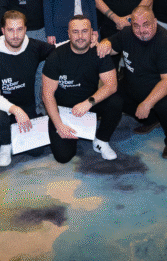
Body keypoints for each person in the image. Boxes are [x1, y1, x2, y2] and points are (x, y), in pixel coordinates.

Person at [96, 6, 167, 159]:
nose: (141, 31)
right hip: (139, 81)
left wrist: (147, 103)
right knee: (112, 95)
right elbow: (111, 46)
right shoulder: (127, 33)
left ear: (155, 22)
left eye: (146, 25)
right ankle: (153, 119)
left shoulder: (166, 42)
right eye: (136, 26)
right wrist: (105, 44)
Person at [42, 15, 123, 163]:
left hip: (90, 104)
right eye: (75, 32)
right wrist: (59, 125)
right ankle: (62, 128)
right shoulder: (56, 56)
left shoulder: (99, 52)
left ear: (92, 33)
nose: (80, 36)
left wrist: (88, 103)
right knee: (63, 156)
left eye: (84, 31)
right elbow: (47, 95)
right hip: (63, 110)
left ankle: (101, 140)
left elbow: (111, 85)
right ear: (68, 34)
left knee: (116, 101)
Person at [0, 11, 54, 167]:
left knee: (37, 151)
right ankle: (5, 144)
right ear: (3, 30)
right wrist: (15, 110)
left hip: (27, 106)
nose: (15, 35)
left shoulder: (34, 46)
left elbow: (59, 51)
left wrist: (88, 44)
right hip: (1, 108)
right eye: (10, 30)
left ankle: (15, 135)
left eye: (19, 29)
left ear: (25, 29)